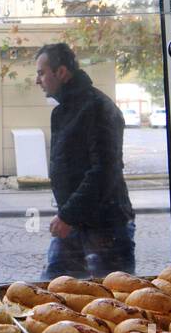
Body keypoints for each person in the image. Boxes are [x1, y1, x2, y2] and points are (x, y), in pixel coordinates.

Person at [34, 43, 136, 278]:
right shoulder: (67, 110)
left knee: (111, 301)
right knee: (52, 294)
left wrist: (68, 215)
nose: (37, 80)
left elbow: (104, 171)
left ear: (61, 72)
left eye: (41, 73)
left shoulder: (96, 107)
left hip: (104, 229)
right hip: (76, 224)